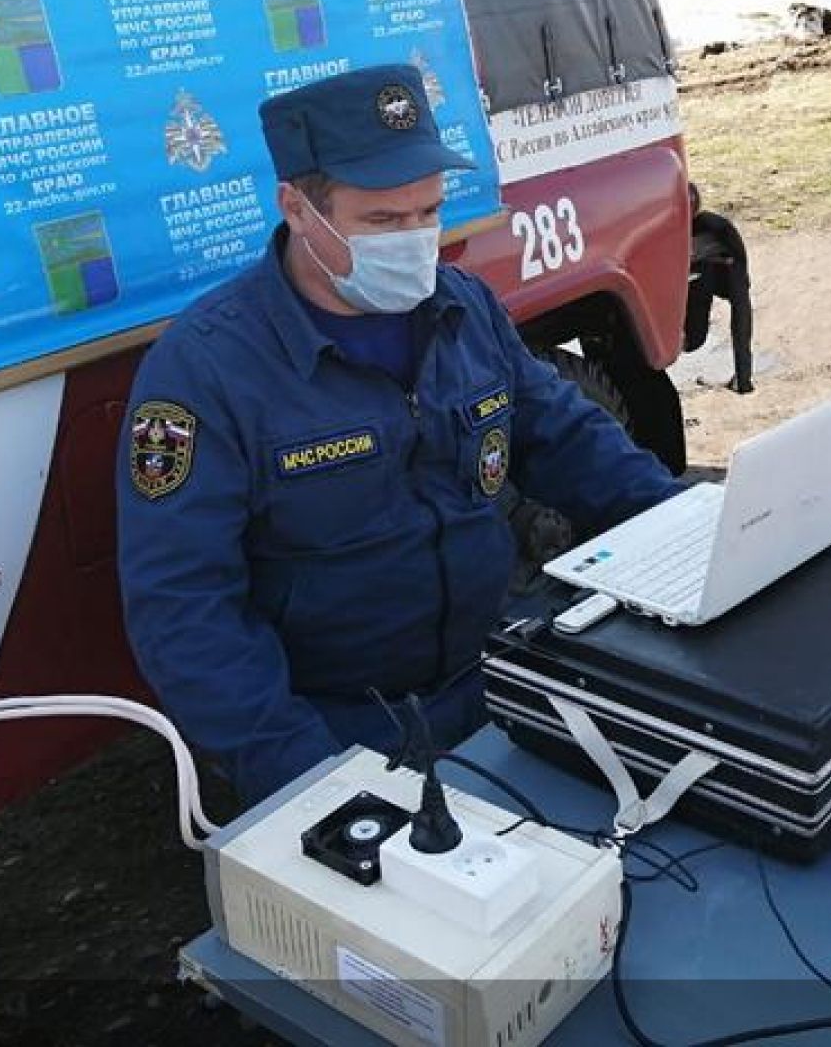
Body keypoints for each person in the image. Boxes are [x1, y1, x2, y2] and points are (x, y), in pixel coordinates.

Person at [116, 65, 680, 804]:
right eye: (383, 222)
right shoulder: (206, 371)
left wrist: (688, 532)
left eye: (429, 212)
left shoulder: (462, 307)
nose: (415, 241)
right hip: (335, 727)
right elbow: (184, 607)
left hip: (490, 679)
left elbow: (569, 438)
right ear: (297, 209)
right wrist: (308, 781)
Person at [684, 182, 755, 393]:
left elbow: (741, 305)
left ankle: (742, 379)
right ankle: (742, 378)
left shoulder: (713, 229)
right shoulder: (711, 227)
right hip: (708, 270)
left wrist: (744, 377)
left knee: (694, 337)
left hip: (718, 270)